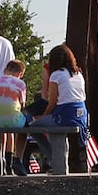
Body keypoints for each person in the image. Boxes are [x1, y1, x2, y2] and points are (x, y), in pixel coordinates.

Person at [35, 43, 90, 174]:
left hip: (65, 116)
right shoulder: (78, 74)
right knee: (53, 127)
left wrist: (43, 116)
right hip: (81, 116)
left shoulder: (56, 75)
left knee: (33, 127)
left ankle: (52, 157)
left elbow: (53, 102)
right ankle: (62, 157)